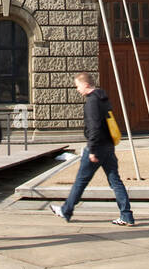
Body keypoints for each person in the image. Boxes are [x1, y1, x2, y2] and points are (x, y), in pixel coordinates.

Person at [50, 71, 134, 226]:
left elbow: (94, 127)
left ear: (86, 84)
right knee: (115, 181)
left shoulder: (92, 101)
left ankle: (66, 210)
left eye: (78, 86)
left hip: (97, 147)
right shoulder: (103, 98)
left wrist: (92, 149)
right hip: (108, 146)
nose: (77, 89)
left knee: (81, 181)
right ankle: (127, 215)